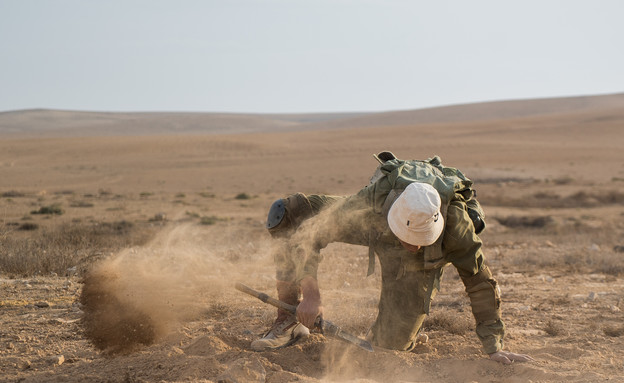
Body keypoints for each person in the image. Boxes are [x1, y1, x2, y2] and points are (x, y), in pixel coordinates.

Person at [251, 152, 533, 365]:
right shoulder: (369, 203)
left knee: (389, 348)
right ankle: (289, 319)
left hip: (416, 267)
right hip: (378, 229)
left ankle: (401, 329)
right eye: (408, 238)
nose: (412, 245)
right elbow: (310, 234)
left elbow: (480, 283)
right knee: (288, 213)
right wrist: (312, 295)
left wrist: (493, 346)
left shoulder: (457, 229)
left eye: (420, 240)